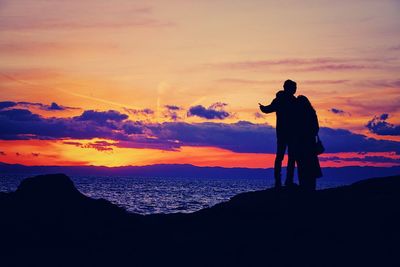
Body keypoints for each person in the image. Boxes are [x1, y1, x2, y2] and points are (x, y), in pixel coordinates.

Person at [259, 80, 297, 188]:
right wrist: (263, 108)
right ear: (287, 88)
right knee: (285, 157)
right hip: (286, 133)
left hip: (287, 133)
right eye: (293, 87)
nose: (295, 89)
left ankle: (283, 181)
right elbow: (268, 109)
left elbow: (268, 109)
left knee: (286, 157)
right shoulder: (284, 100)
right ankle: (282, 181)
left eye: (295, 87)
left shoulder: (288, 100)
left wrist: (263, 108)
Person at [294, 95, 322, 191]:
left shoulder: (297, 115)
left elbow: (294, 129)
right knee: (311, 166)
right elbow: (316, 128)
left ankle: (303, 186)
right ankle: (311, 188)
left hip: (300, 144)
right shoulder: (311, 113)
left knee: (302, 166)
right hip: (310, 144)